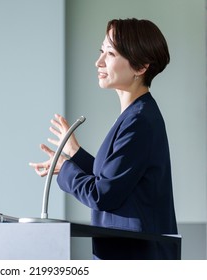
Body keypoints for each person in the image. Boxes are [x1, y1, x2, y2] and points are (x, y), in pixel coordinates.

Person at [29, 18, 178, 260]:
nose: (98, 62)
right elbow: (117, 181)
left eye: (110, 53)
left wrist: (67, 168)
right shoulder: (136, 115)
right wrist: (75, 155)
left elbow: (103, 195)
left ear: (140, 67)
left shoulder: (139, 121)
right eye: (102, 51)